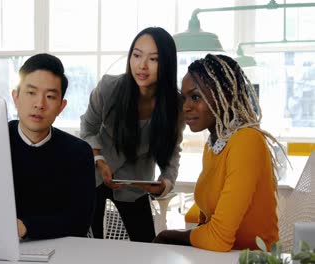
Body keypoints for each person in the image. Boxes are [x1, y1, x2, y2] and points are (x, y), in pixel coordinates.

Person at [153, 54, 281, 252]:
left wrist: (167, 235)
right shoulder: (214, 144)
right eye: (184, 98)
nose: (186, 107)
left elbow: (218, 239)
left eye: (196, 97)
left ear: (225, 96)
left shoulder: (246, 141)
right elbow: (208, 224)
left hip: (251, 259)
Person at [80, 27, 183, 242]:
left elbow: (172, 153)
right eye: (136, 55)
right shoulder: (109, 88)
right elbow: (88, 128)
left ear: (166, 63)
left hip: (136, 187)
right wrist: (99, 160)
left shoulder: (176, 104)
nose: (141, 65)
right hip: (94, 180)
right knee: (90, 248)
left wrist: (164, 184)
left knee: (146, 247)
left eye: (153, 59)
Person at [9, 53, 96, 240]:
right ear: (15, 97)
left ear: (61, 106)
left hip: (60, 251)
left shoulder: (78, 153)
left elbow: (80, 221)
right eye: (31, 93)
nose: (39, 104)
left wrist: (25, 227)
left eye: (49, 96)